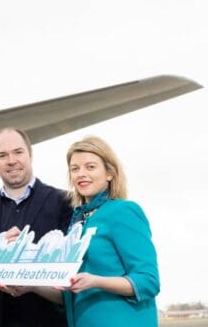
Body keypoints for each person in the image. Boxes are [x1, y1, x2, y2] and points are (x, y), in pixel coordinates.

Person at [13, 136, 160, 327]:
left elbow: (148, 281)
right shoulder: (78, 222)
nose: (81, 174)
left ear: (110, 173)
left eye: (90, 167)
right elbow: (70, 296)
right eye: (75, 169)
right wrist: (32, 286)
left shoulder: (124, 211)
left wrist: (96, 281)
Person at [0, 127, 72, 327]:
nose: (11, 160)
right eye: (2, 155)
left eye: (18, 152)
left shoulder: (65, 202)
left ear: (30, 154)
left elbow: (72, 268)